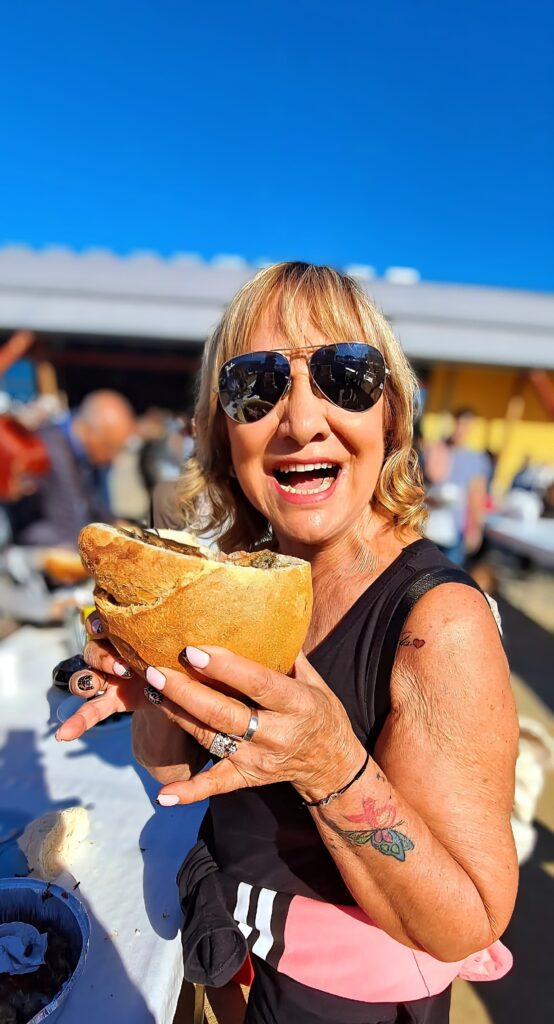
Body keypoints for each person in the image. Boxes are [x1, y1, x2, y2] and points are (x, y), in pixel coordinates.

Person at [57, 264, 518, 1024]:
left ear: (392, 417)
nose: (302, 421)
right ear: (220, 431)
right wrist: (157, 688)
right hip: (233, 963)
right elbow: (174, 772)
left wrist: (330, 763)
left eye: (346, 376)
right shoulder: (248, 585)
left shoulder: (436, 625)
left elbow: (467, 922)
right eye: (256, 386)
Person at [8, 389, 135, 547]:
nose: (114, 459)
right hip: (41, 555)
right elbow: (59, 521)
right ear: (90, 433)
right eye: (111, 448)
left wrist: (114, 526)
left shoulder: (88, 458)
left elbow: (93, 508)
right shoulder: (45, 452)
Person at [421, 409, 490, 565]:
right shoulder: (436, 449)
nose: (461, 430)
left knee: (448, 575)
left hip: (456, 526)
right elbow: (419, 481)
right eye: (459, 424)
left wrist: (475, 529)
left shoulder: (475, 459)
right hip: (427, 522)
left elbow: (477, 495)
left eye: (466, 426)